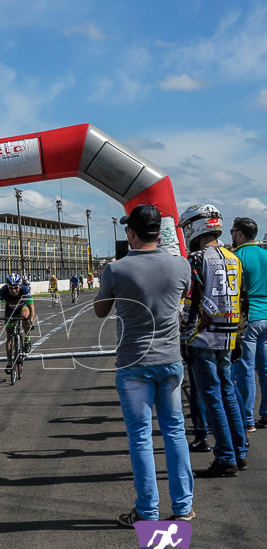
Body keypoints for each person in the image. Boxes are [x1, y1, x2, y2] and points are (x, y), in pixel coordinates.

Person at [93, 203, 193, 525]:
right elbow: (183, 295)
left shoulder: (117, 269)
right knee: (175, 431)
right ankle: (183, 506)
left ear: (131, 233)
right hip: (170, 360)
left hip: (134, 363)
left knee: (140, 437)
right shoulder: (181, 265)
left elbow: (100, 311)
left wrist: (106, 280)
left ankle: (147, 510)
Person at [178, 203, 247, 478]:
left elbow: (191, 303)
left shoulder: (196, 259)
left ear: (195, 226)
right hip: (229, 335)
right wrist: (239, 336)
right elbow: (243, 300)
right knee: (228, 392)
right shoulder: (234, 258)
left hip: (204, 337)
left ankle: (225, 457)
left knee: (212, 396)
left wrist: (184, 335)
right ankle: (240, 452)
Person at [229, 217, 267, 431]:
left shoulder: (236, 258)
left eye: (233, 231)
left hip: (248, 319)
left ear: (240, 234)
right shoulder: (266, 254)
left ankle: (247, 419)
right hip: (266, 315)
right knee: (265, 369)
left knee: (245, 371)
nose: (231, 234)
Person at [0, 273, 36, 373]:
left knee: (25, 316)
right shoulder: (2, 291)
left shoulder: (25, 290)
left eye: (16, 288)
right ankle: (9, 362)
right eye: (10, 288)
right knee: (9, 337)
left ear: (20, 286)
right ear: (7, 286)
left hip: (22, 307)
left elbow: (32, 308)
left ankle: (27, 338)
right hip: (10, 310)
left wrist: (31, 321)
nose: (13, 290)